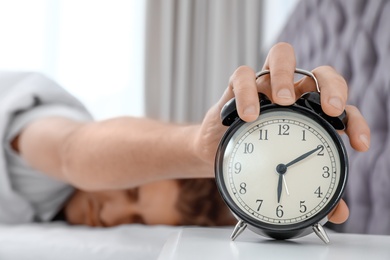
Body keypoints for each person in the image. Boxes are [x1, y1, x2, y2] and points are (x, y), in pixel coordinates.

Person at [1, 42, 369, 227]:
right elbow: (73, 151)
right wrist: (195, 151)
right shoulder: (47, 129)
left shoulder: (43, 217)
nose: (110, 215)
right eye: (131, 189)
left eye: (136, 222)